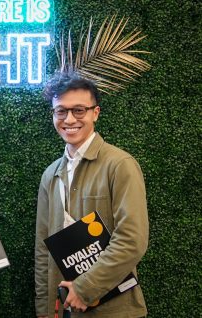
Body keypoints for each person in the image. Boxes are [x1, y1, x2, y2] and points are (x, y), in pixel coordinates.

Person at [35, 73, 149, 317]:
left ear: (95, 113)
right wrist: (44, 310)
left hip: (113, 310)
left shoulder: (120, 165)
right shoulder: (50, 174)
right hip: (62, 308)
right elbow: (43, 249)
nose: (69, 119)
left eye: (79, 110)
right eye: (61, 111)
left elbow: (132, 240)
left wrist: (84, 289)